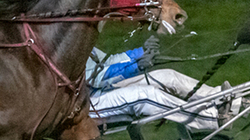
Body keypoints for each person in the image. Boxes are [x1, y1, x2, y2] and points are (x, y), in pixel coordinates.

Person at [86, 35, 238, 130]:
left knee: (166, 76)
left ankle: (222, 98)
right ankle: (213, 118)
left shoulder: (76, 38)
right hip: (87, 106)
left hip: (100, 92)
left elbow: (109, 62)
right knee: (145, 96)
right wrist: (136, 66)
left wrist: (140, 52)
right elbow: (95, 78)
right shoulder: (63, 46)